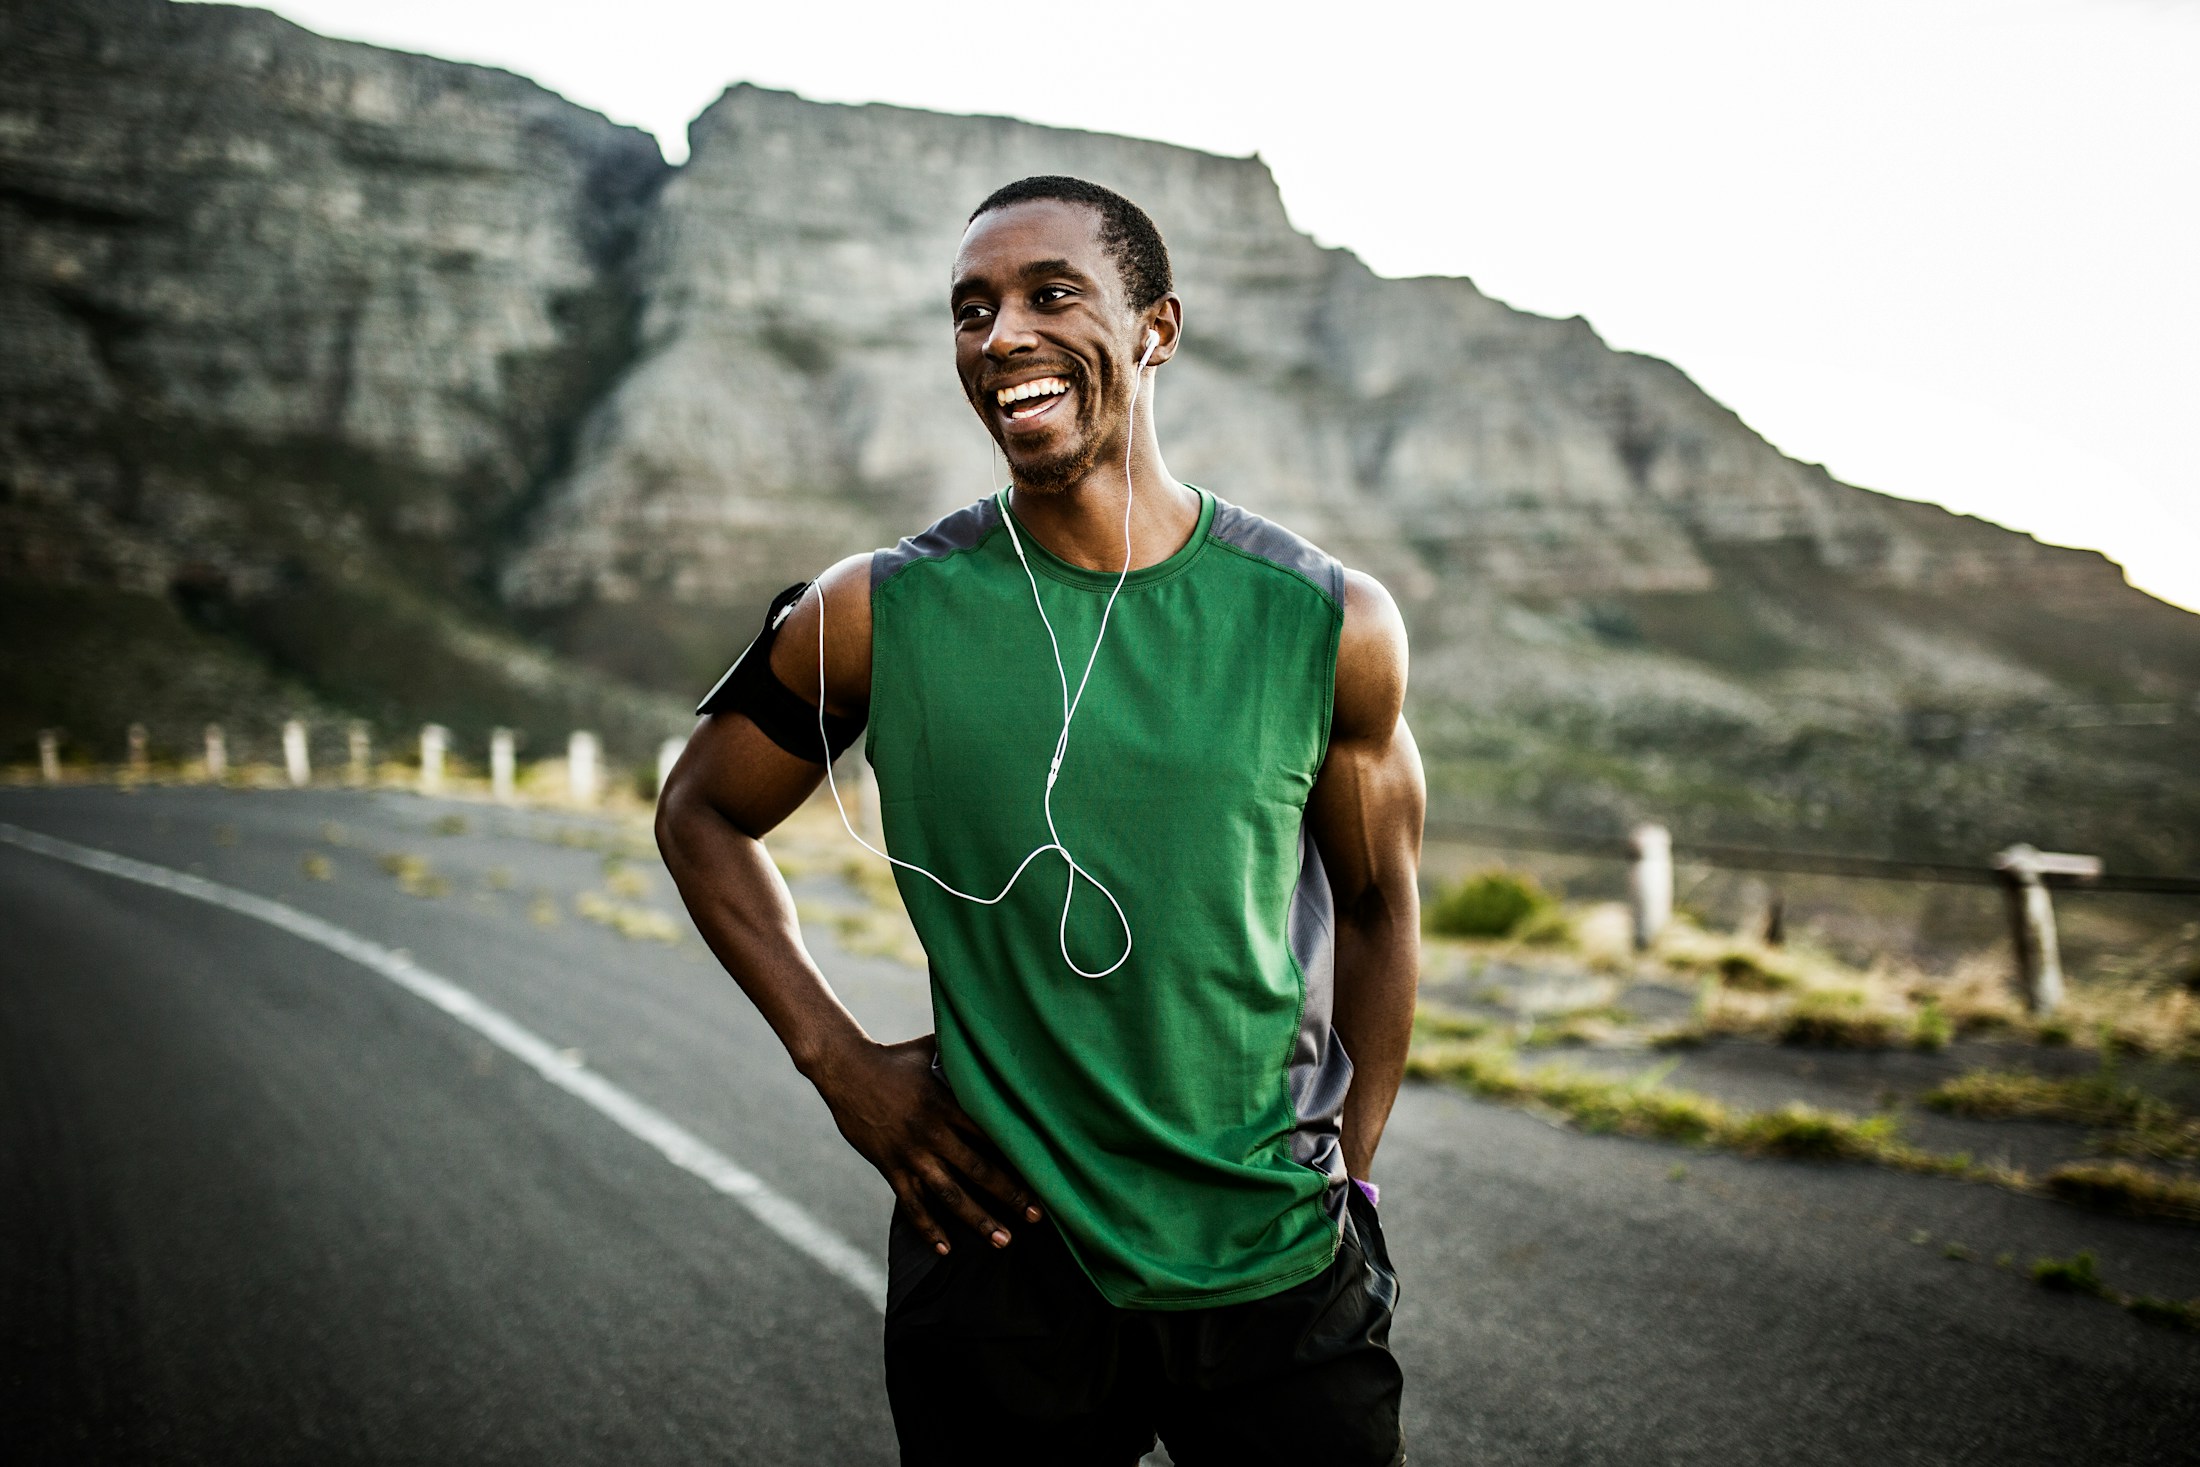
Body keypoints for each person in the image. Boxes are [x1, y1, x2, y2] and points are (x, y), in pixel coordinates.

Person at [657, 175, 1424, 1466]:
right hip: (1000, 1263)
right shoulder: (875, 612)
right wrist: (839, 1066)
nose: (999, 335)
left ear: (1156, 329)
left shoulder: (1326, 620)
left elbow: (1380, 905)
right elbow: (700, 811)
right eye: (970, 310)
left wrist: (1347, 1168)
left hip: (1278, 1270)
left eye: (1048, 295)